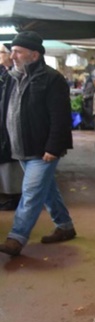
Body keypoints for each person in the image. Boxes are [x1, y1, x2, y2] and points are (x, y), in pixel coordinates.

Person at [0, 31, 76, 256]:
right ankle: (65, 226)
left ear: (34, 55)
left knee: (31, 192)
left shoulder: (52, 79)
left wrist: (53, 147)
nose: (12, 55)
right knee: (47, 189)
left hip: (42, 149)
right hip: (20, 147)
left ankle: (17, 237)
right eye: (11, 51)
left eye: (17, 51)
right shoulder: (12, 77)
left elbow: (60, 117)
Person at [0, 42, 23, 211]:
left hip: (13, 126)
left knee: (12, 164)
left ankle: (14, 196)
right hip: (4, 124)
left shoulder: (16, 76)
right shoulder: (4, 74)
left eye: (1, 52)